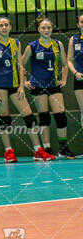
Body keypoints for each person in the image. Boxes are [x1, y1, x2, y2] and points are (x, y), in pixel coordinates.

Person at [0, 16, 54, 163]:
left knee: (30, 116)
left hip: (15, 85)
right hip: (0, 86)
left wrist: (22, 86)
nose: (4, 27)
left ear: (10, 27)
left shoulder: (16, 43)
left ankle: (38, 150)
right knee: (5, 118)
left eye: (6, 25)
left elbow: (20, 65)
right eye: (1, 25)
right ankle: (8, 152)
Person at [22, 16, 77, 159]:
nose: (46, 30)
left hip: (53, 85)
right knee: (44, 117)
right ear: (39, 29)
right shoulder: (32, 46)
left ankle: (63, 148)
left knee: (61, 116)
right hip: (38, 86)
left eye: (49, 28)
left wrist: (64, 78)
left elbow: (65, 63)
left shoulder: (58, 45)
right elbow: (20, 64)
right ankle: (47, 148)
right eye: (43, 28)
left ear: (52, 29)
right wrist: (24, 80)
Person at [67, 12, 83, 141]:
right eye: (82, 22)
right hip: (80, 78)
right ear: (78, 24)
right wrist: (75, 73)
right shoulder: (74, 39)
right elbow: (69, 60)